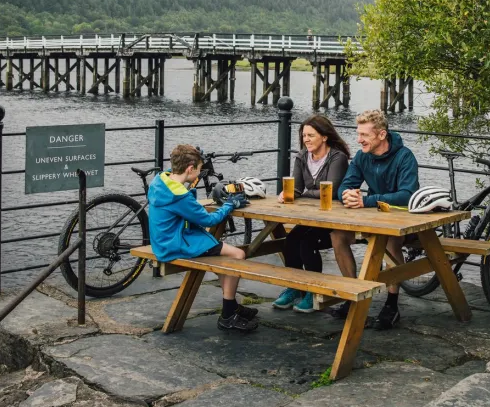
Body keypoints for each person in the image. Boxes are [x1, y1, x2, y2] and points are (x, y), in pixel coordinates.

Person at [147, 144, 259, 333]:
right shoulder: (179, 196)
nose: (200, 173)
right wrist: (230, 204)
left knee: (224, 261)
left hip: (163, 241)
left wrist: (191, 178)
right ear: (190, 169)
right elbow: (208, 219)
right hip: (176, 244)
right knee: (237, 255)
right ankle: (228, 316)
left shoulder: (160, 182)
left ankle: (232, 307)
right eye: (198, 169)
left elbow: (184, 202)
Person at [330, 109, 419, 329]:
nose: (359, 140)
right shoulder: (362, 156)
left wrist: (367, 201)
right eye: (358, 134)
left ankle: (391, 304)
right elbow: (345, 185)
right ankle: (352, 295)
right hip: (373, 218)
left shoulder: (404, 157)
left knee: (389, 240)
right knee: (337, 235)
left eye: (364, 135)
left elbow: (407, 196)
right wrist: (347, 194)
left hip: (405, 222)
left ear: (381, 135)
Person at [272, 115, 350, 313]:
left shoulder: (337, 157)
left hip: (334, 217)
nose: (306, 139)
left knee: (307, 243)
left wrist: (305, 194)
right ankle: (295, 287)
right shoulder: (301, 156)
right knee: (291, 241)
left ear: (324, 137)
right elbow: (296, 188)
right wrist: (286, 194)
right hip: (311, 215)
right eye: (304, 135)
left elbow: (331, 192)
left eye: (311, 135)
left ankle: (313, 291)